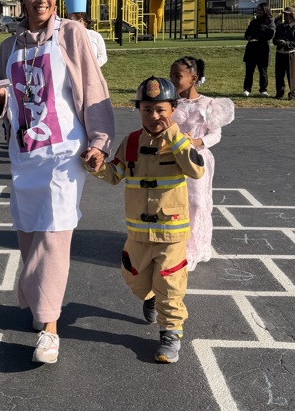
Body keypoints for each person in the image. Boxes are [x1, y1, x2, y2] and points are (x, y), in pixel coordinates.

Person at [0, 0, 114, 365]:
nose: (43, 0)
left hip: (63, 155)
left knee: (55, 238)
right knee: (29, 236)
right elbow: (4, 106)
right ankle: (36, 300)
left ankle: (50, 327)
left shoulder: (73, 36)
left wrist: (99, 140)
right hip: (24, 156)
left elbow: (94, 92)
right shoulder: (9, 45)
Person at [85, 77, 205, 364]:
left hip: (170, 231)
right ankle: (150, 298)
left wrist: (175, 138)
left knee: (171, 285)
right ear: (139, 109)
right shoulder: (132, 142)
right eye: (147, 109)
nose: (154, 116)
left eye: (161, 109)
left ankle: (170, 333)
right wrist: (97, 166)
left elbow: (196, 170)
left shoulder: (180, 141)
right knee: (132, 276)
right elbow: (115, 174)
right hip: (138, 231)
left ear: (173, 109)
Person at [170, 56, 235, 272]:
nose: (173, 80)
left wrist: (198, 141)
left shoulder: (208, 104)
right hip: (173, 159)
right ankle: (176, 245)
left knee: (197, 202)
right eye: (171, 76)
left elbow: (216, 134)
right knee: (175, 201)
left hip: (197, 159)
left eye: (178, 76)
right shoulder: (171, 103)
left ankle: (195, 247)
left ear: (193, 78)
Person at [64, 0, 108, 67]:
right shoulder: (66, 37)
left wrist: (92, 66)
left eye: (72, 19)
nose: (69, 22)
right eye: (68, 19)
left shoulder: (95, 36)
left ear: (81, 20)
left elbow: (103, 56)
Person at [242, 3, 276, 97]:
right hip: (251, 49)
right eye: (258, 10)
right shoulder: (254, 22)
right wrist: (249, 37)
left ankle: (263, 90)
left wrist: (258, 38)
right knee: (249, 71)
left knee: (263, 71)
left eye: (261, 10)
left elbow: (270, 34)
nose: (259, 12)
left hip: (263, 49)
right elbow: (247, 33)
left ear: (266, 10)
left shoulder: (270, 21)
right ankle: (247, 89)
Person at [273, 7, 295, 100]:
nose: (285, 16)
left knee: (291, 75)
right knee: (279, 75)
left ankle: (292, 94)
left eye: (287, 14)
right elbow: (274, 40)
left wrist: (286, 43)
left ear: (292, 16)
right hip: (280, 53)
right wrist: (278, 41)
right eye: (284, 14)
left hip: (290, 54)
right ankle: (279, 93)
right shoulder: (280, 27)